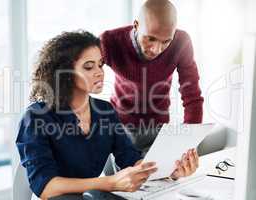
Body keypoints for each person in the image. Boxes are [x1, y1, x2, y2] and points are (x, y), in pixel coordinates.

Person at [16, 30, 199, 200]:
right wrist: (110, 183)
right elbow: (45, 186)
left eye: (100, 64)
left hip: (90, 194)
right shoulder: (36, 117)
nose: (99, 72)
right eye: (88, 67)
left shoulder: (105, 111)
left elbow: (130, 159)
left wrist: (170, 171)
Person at [100, 0, 204, 153]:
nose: (156, 49)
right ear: (136, 25)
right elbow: (82, 78)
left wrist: (188, 142)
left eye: (166, 41)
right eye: (151, 38)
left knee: (158, 175)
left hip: (158, 129)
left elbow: (192, 96)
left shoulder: (181, 42)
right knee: (122, 174)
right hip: (119, 127)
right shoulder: (110, 41)